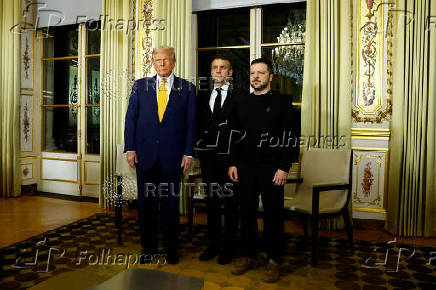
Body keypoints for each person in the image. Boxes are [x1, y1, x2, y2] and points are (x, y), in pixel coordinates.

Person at [124, 45, 196, 265]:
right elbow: (131, 119)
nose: (162, 64)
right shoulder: (140, 86)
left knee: (171, 207)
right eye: (157, 60)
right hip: (145, 157)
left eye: (166, 60)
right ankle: (149, 248)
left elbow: (192, 123)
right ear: (152, 63)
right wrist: (130, 148)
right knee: (146, 206)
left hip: (173, 158)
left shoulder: (188, 88)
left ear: (173, 62)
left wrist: (188, 152)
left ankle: (171, 249)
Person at [227, 58, 296, 282]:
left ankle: (274, 260)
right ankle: (248, 255)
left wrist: (284, 168)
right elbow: (234, 135)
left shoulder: (282, 102)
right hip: (245, 167)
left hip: (272, 169)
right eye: (252, 73)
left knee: (273, 216)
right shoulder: (241, 102)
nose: (256, 77)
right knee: (245, 213)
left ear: (270, 77)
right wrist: (232, 163)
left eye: (261, 73)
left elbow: (291, 138)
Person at [196, 54, 242, 265]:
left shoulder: (240, 96)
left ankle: (229, 248)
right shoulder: (202, 96)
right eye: (215, 67)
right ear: (211, 72)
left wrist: (235, 161)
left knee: (231, 206)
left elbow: (244, 131)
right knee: (212, 204)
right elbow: (197, 125)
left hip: (231, 162)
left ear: (230, 72)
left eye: (223, 68)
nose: (218, 71)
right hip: (208, 160)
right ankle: (213, 245)